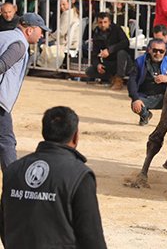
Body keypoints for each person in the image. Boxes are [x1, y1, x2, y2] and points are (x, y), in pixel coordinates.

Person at [0, 106, 107, 248]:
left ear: (44, 132)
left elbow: (5, 225)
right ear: (75, 137)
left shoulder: (13, 170)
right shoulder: (79, 175)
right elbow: (92, 239)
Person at [0, 13, 48, 169]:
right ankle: (12, 181)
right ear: (29, 30)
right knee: (6, 141)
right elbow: (2, 65)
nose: (42, 35)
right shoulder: (19, 44)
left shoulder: (4, 35)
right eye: (41, 31)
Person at [128, 39, 167, 126]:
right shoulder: (140, 61)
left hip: (166, 97)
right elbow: (131, 81)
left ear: (165, 51)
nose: (158, 53)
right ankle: (145, 115)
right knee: (136, 106)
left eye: (161, 51)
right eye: (155, 50)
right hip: (145, 95)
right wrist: (135, 98)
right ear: (149, 50)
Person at [85, 12, 130, 90]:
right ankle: (112, 78)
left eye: (105, 22)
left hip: (122, 62)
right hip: (109, 62)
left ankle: (119, 79)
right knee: (89, 71)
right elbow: (95, 53)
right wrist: (98, 64)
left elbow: (125, 42)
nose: (103, 25)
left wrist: (110, 50)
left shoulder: (116, 29)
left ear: (109, 22)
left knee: (121, 53)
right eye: (100, 22)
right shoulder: (96, 33)